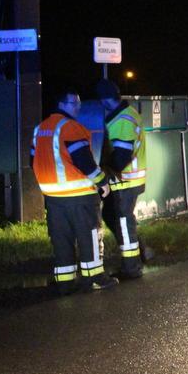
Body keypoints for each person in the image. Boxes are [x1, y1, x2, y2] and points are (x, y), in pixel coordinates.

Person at [31, 87, 117, 294]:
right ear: (61, 105)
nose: (78, 107)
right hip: (79, 196)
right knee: (90, 237)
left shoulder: (40, 128)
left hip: (53, 196)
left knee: (61, 239)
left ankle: (65, 283)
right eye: (74, 103)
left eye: (79, 103)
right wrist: (102, 181)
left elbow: (32, 160)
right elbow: (84, 161)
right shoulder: (70, 128)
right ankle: (94, 278)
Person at [96, 78, 147, 279]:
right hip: (124, 181)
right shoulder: (126, 115)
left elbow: (121, 157)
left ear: (105, 100)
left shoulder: (123, 120)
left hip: (126, 181)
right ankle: (140, 252)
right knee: (112, 217)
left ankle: (131, 267)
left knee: (124, 222)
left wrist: (102, 175)